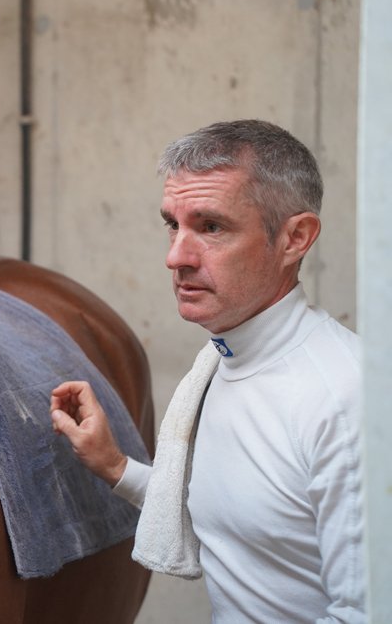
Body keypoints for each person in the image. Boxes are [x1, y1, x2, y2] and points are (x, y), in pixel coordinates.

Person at [51, 119, 365, 623]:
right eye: (173, 225)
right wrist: (114, 465)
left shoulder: (347, 397)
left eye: (211, 227)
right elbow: (240, 513)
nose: (176, 256)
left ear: (295, 238)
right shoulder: (221, 361)